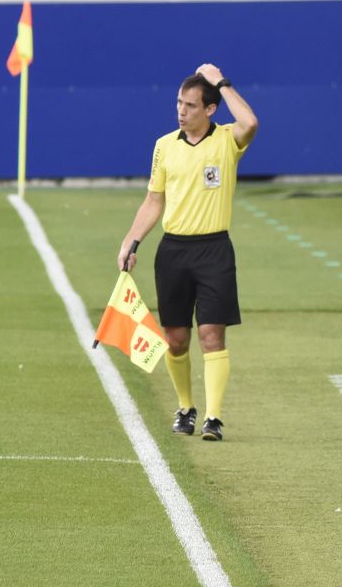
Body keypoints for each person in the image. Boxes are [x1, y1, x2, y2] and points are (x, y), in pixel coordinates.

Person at [117, 64, 258, 442]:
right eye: (179, 103)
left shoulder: (227, 139)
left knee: (212, 334)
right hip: (173, 251)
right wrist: (132, 240)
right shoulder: (165, 145)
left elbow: (251, 120)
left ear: (210, 109)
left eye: (191, 105)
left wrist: (221, 82)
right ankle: (186, 408)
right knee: (176, 337)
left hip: (214, 250)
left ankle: (213, 417)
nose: (181, 111)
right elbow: (153, 201)